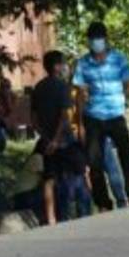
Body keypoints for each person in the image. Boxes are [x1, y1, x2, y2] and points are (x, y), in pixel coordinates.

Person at [72, 21, 129, 209]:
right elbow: (79, 93)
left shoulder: (119, 59)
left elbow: (128, 84)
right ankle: (103, 202)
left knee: (126, 155)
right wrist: (79, 123)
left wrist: (124, 98)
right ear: (89, 41)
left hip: (116, 114)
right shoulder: (83, 63)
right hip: (93, 116)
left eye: (99, 39)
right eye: (93, 39)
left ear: (105, 39)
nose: (96, 43)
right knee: (94, 161)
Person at [32, 51, 88, 224]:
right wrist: (56, 140)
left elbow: (33, 118)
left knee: (49, 179)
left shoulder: (38, 87)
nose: (65, 67)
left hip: (46, 141)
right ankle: (81, 213)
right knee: (78, 173)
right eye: (63, 63)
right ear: (56, 66)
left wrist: (46, 138)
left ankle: (51, 218)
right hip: (64, 141)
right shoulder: (62, 87)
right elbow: (65, 117)